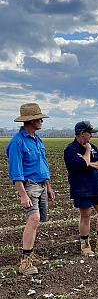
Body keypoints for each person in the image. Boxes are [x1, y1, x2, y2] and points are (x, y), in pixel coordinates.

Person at [6, 103, 55, 276]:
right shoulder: (17, 142)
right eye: (39, 118)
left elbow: (43, 165)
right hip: (29, 185)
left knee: (37, 220)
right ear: (30, 120)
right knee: (33, 218)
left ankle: (30, 253)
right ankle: (25, 262)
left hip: (41, 184)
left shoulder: (37, 139)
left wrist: (48, 186)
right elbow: (16, 172)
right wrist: (23, 195)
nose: (42, 120)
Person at [64, 121, 98, 255]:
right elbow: (82, 164)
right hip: (82, 188)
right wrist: (87, 152)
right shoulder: (70, 150)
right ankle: (85, 245)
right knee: (85, 216)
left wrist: (90, 163)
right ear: (81, 133)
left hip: (96, 186)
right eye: (89, 133)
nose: (91, 136)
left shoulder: (93, 147)